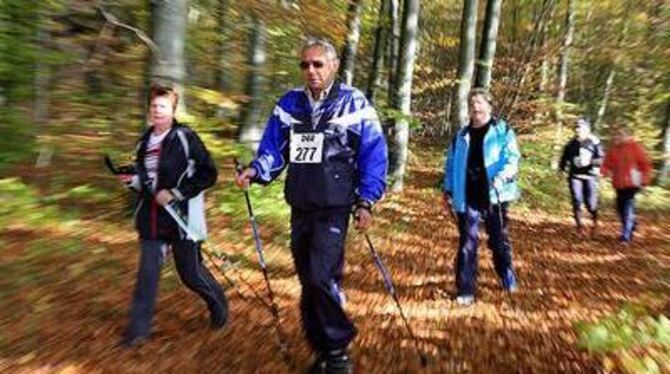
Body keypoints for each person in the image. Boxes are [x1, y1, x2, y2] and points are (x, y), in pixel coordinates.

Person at [235, 37, 387, 374]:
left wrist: (367, 200)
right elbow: (274, 150)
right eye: (305, 64)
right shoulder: (290, 104)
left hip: (334, 208)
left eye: (318, 64)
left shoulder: (354, 103)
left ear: (333, 66)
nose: (311, 70)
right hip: (300, 206)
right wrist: (255, 171)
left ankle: (337, 351)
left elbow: (374, 155)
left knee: (321, 276)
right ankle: (322, 350)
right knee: (309, 281)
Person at [117, 85, 228, 347]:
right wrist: (131, 181)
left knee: (190, 274)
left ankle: (219, 305)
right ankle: (137, 333)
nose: (157, 110)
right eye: (154, 106)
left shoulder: (185, 137)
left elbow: (209, 174)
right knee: (147, 274)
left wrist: (177, 192)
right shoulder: (144, 142)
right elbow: (146, 183)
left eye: (163, 106)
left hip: (182, 219)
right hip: (151, 219)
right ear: (149, 110)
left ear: (173, 110)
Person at [443, 88, 520, 306]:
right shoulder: (461, 135)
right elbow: (450, 165)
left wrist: (502, 178)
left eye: (479, 102)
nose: (475, 106)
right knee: (467, 242)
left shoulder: (502, 131)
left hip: (495, 196)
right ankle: (465, 288)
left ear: (489, 106)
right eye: (472, 103)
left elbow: (512, 158)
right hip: (467, 197)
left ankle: (506, 274)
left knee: (497, 241)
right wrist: (447, 189)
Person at [601, 125, 652, 244]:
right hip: (618, 183)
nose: (616, 137)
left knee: (627, 208)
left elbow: (645, 165)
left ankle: (625, 236)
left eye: (620, 134)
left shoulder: (635, 148)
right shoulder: (613, 149)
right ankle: (632, 223)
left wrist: (644, 181)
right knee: (619, 208)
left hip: (632, 183)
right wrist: (604, 171)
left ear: (628, 136)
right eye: (615, 134)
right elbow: (606, 164)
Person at [559, 118, 604, 236]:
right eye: (576, 128)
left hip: (590, 176)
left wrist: (590, 161)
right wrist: (561, 169)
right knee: (577, 200)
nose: (578, 130)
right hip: (575, 176)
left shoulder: (594, 142)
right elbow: (564, 158)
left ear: (587, 129)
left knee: (591, 203)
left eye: (580, 127)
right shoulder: (571, 143)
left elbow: (602, 159)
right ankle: (579, 227)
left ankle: (595, 222)